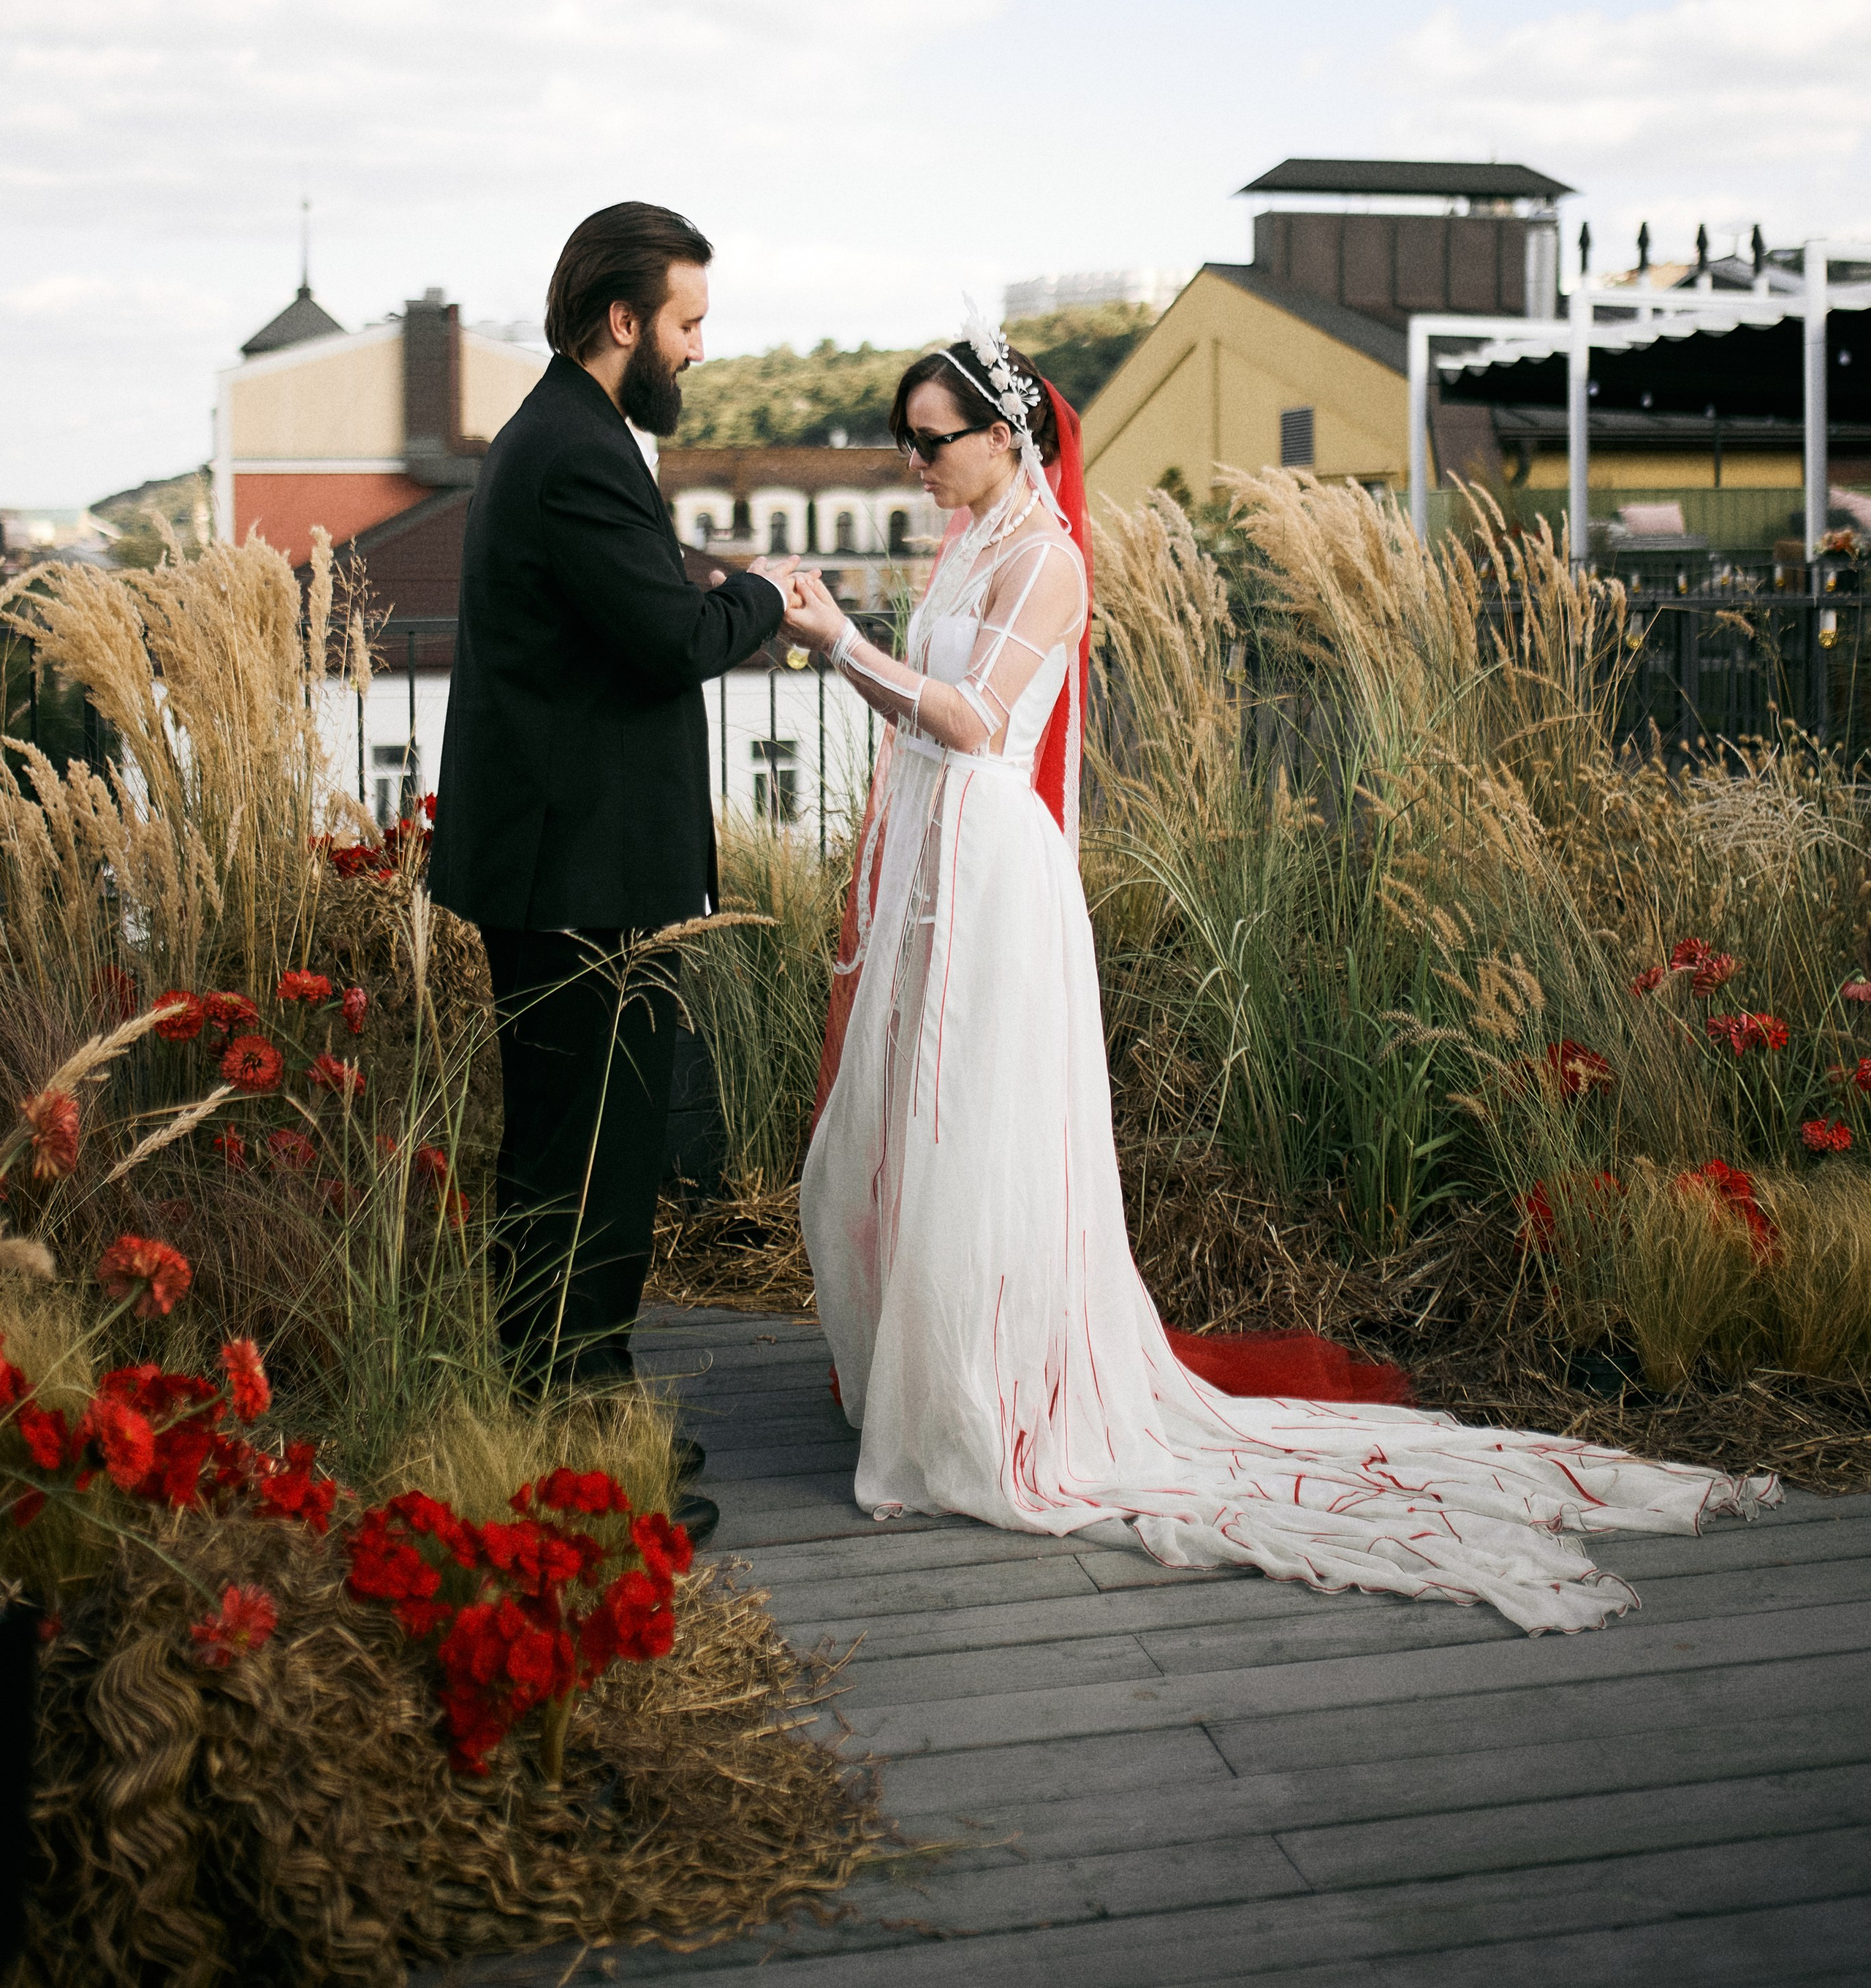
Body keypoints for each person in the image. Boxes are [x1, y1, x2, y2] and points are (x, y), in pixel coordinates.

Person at [778, 311, 1779, 1634]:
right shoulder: (964, 553)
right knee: (921, 1115)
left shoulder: (1052, 563)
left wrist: (845, 639)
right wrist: (834, 647)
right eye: (900, 443)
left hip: (993, 873)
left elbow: (973, 721)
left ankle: (1002, 1396)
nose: (914, 465)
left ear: (1002, 432)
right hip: (930, 862)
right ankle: (935, 1377)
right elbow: (915, 705)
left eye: (929, 441)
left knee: (983, 1125)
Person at [430, 202, 792, 1537]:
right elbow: (663, 635)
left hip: (561, 868)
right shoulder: (577, 451)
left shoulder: (563, 436)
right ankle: (579, 1456)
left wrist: (704, 587)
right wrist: (765, 593)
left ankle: (574, 1429)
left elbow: (623, 604)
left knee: (564, 1159)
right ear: (624, 320)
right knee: (589, 1163)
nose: (701, 346)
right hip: (578, 882)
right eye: (688, 321)